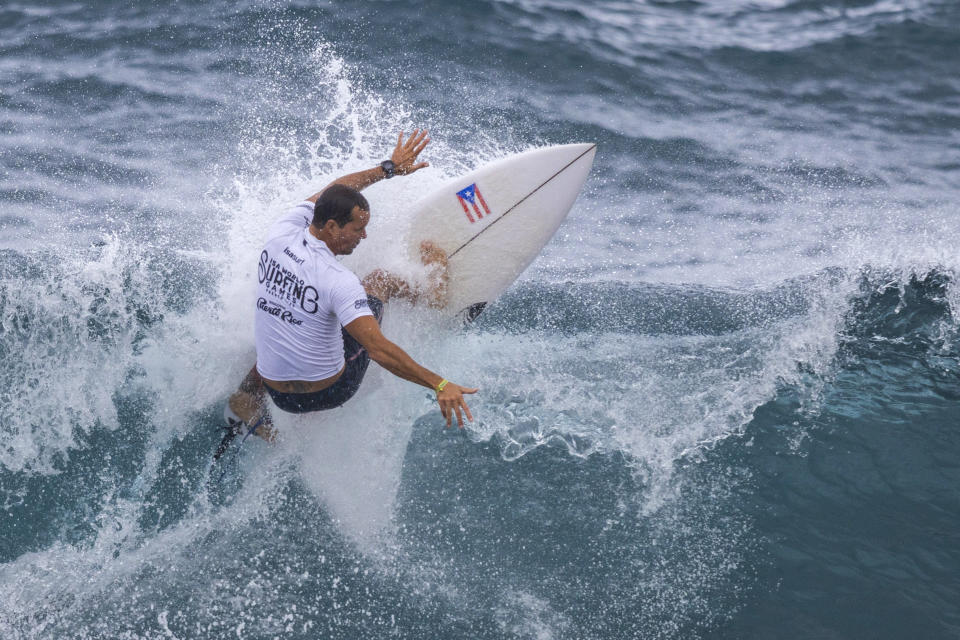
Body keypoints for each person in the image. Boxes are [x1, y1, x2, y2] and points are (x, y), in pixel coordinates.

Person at [218, 130, 477, 456]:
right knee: (378, 281)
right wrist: (440, 384)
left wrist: (389, 168)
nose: (364, 236)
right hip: (330, 392)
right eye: (357, 228)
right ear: (330, 227)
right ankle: (431, 291)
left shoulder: (282, 231)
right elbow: (379, 351)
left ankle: (247, 398)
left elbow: (336, 189)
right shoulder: (338, 280)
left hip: (275, 390)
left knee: (284, 314)